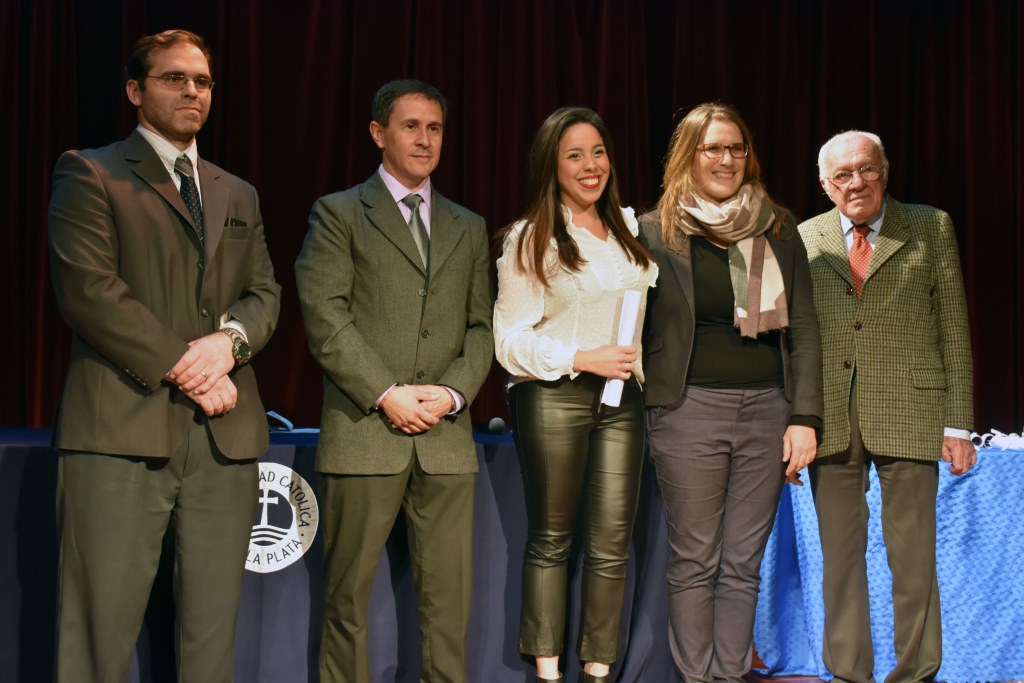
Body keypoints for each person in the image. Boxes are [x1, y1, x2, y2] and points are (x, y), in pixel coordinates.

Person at [46, 29, 281, 682]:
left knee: (211, 642)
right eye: (175, 78)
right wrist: (192, 368)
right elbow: (91, 292)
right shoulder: (90, 172)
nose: (192, 91)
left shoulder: (237, 192)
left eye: (202, 81)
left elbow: (264, 292)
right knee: (97, 635)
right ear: (134, 91)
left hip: (221, 442)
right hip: (121, 428)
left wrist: (228, 342)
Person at [295, 79, 493, 683]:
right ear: (380, 133)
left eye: (434, 128)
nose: (425, 139)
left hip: (445, 439)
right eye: (411, 126)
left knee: (447, 607)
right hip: (365, 432)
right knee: (347, 601)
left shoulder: (469, 224)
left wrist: (453, 393)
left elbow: (481, 327)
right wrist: (388, 394)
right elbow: (326, 317)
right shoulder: (339, 212)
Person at [639, 102, 823, 682]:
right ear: (688, 155)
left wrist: (806, 417)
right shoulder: (651, 231)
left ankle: (727, 677)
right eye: (713, 148)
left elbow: (806, 331)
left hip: (769, 412)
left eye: (736, 148)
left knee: (742, 564)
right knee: (696, 559)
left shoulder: (776, 227)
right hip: (687, 410)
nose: (726, 159)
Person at [799, 130, 976, 683]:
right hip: (831, 413)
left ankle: (916, 674)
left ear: (886, 171)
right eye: (843, 175)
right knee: (841, 561)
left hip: (911, 408)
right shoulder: (805, 238)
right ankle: (850, 674)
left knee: (914, 558)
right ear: (826, 186)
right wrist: (794, 422)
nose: (858, 182)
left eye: (866, 169)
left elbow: (954, 325)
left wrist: (957, 424)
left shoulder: (929, 225)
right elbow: (795, 339)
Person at [493, 107, 658, 683]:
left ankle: (597, 667)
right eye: (574, 155)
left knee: (613, 542)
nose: (591, 166)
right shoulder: (530, 237)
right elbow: (508, 343)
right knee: (553, 539)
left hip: (624, 400)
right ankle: (547, 668)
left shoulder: (628, 232)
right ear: (551, 165)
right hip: (553, 396)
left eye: (598, 152)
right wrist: (579, 358)